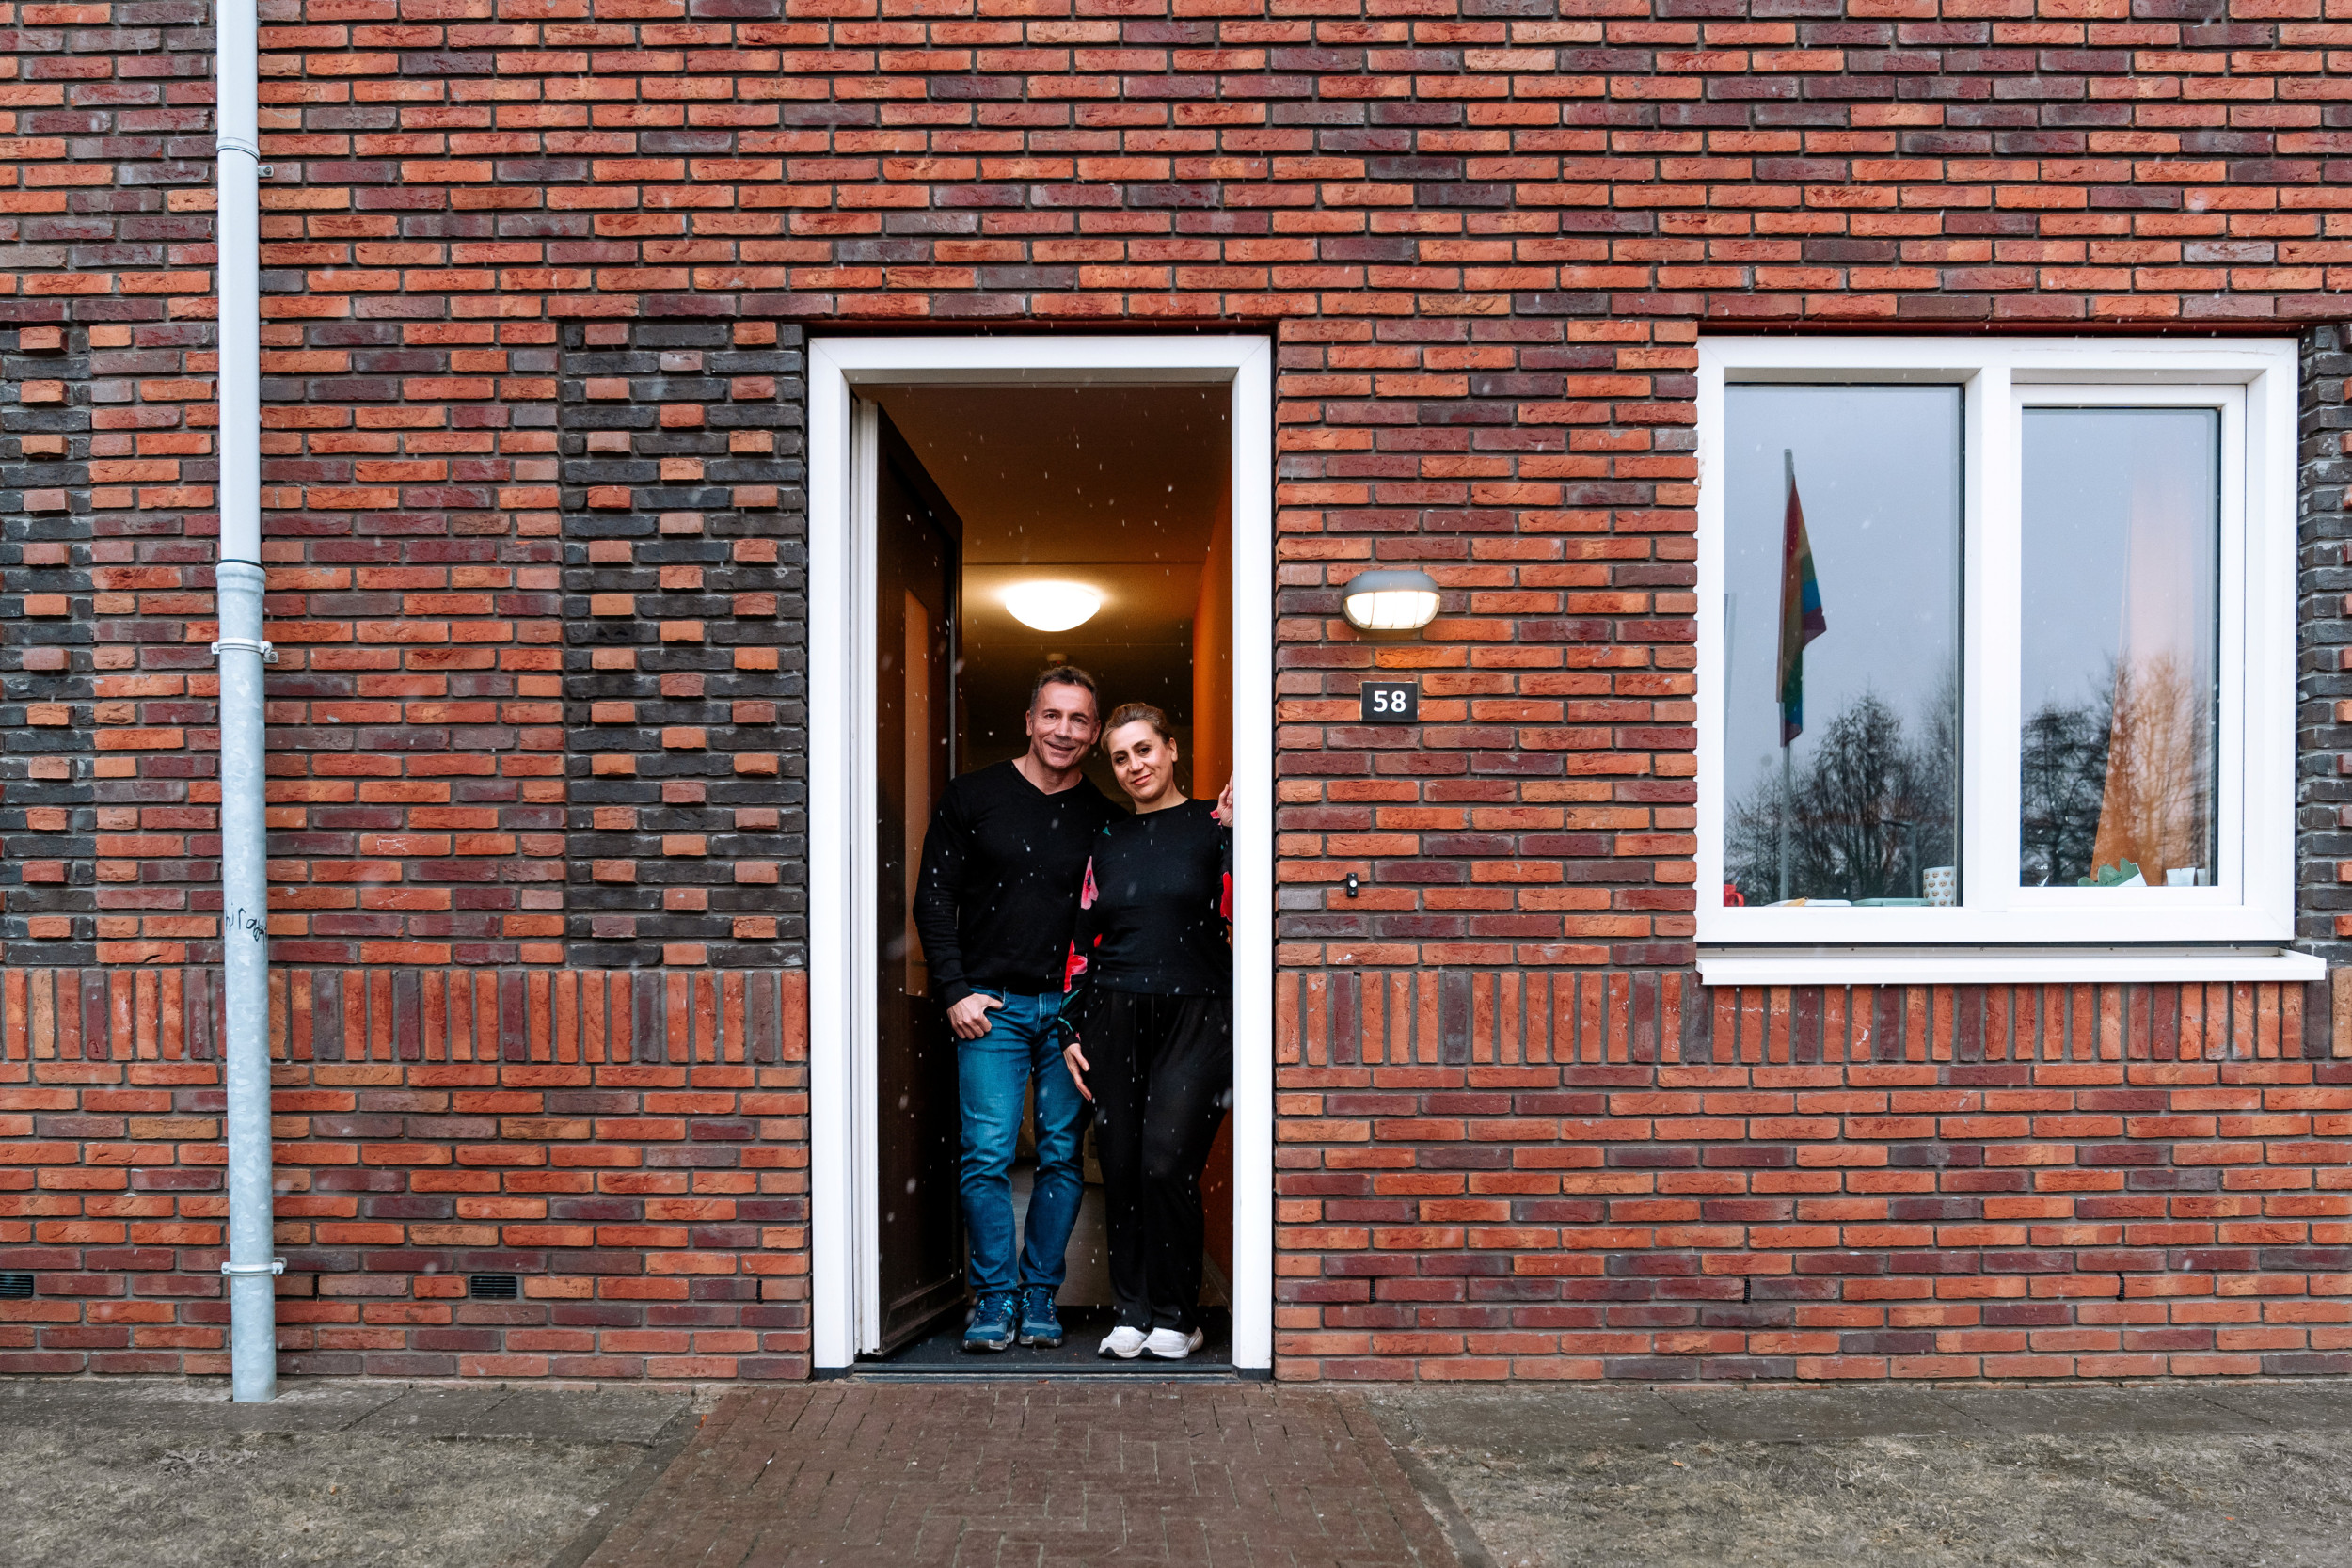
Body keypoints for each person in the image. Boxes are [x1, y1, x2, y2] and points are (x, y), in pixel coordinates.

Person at [913, 666, 1122, 1353]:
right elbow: (933, 899)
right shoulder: (973, 796)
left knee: (1062, 1155)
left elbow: (1141, 889)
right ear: (1030, 720)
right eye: (1053, 715)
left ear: (1094, 734)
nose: (1064, 730)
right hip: (990, 1009)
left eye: (1080, 720)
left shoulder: (1104, 819)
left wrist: (1224, 816)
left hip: (1068, 1014)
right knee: (987, 1155)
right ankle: (994, 1298)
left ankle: (1039, 1293)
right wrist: (954, 989)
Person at [1058, 703, 1232, 1361]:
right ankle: (1131, 1310)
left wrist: (1240, 834)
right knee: (1125, 1167)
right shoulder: (1109, 839)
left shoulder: (1214, 825)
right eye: (1122, 757)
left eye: (1145, 750)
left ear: (1172, 750)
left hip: (1198, 1013)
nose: (1135, 765)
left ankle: (1178, 1313)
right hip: (1114, 1014)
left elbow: (1243, 906)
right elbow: (1083, 938)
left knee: (1166, 1162)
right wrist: (1070, 1025)